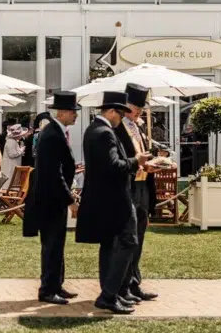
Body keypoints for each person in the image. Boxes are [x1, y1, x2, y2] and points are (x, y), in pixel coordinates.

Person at [75, 91, 150, 315]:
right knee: (128, 241)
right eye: (120, 113)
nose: (122, 118)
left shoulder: (95, 130)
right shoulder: (104, 133)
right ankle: (109, 294)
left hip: (106, 199)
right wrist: (136, 160)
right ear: (110, 111)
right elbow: (114, 166)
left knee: (109, 246)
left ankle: (111, 294)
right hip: (115, 199)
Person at [24, 91, 81, 305]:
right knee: (52, 245)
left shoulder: (56, 132)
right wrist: (70, 199)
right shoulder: (52, 135)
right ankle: (47, 289)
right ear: (63, 112)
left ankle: (56, 284)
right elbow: (54, 173)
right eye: (73, 112)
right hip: (50, 199)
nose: (76, 116)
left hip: (55, 198)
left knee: (58, 244)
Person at [113, 84, 159, 303]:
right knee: (127, 238)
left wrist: (152, 162)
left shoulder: (139, 127)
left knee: (139, 237)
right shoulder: (117, 128)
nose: (138, 112)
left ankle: (134, 282)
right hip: (129, 187)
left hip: (143, 187)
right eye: (134, 108)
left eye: (141, 108)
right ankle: (122, 285)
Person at [1, 124, 25, 190]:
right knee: (9, 183)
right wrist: (20, 151)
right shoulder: (11, 142)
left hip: (12, 166)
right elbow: (11, 154)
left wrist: (20, 152)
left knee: (11, 183)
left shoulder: (13, 141)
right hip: (10, 166)